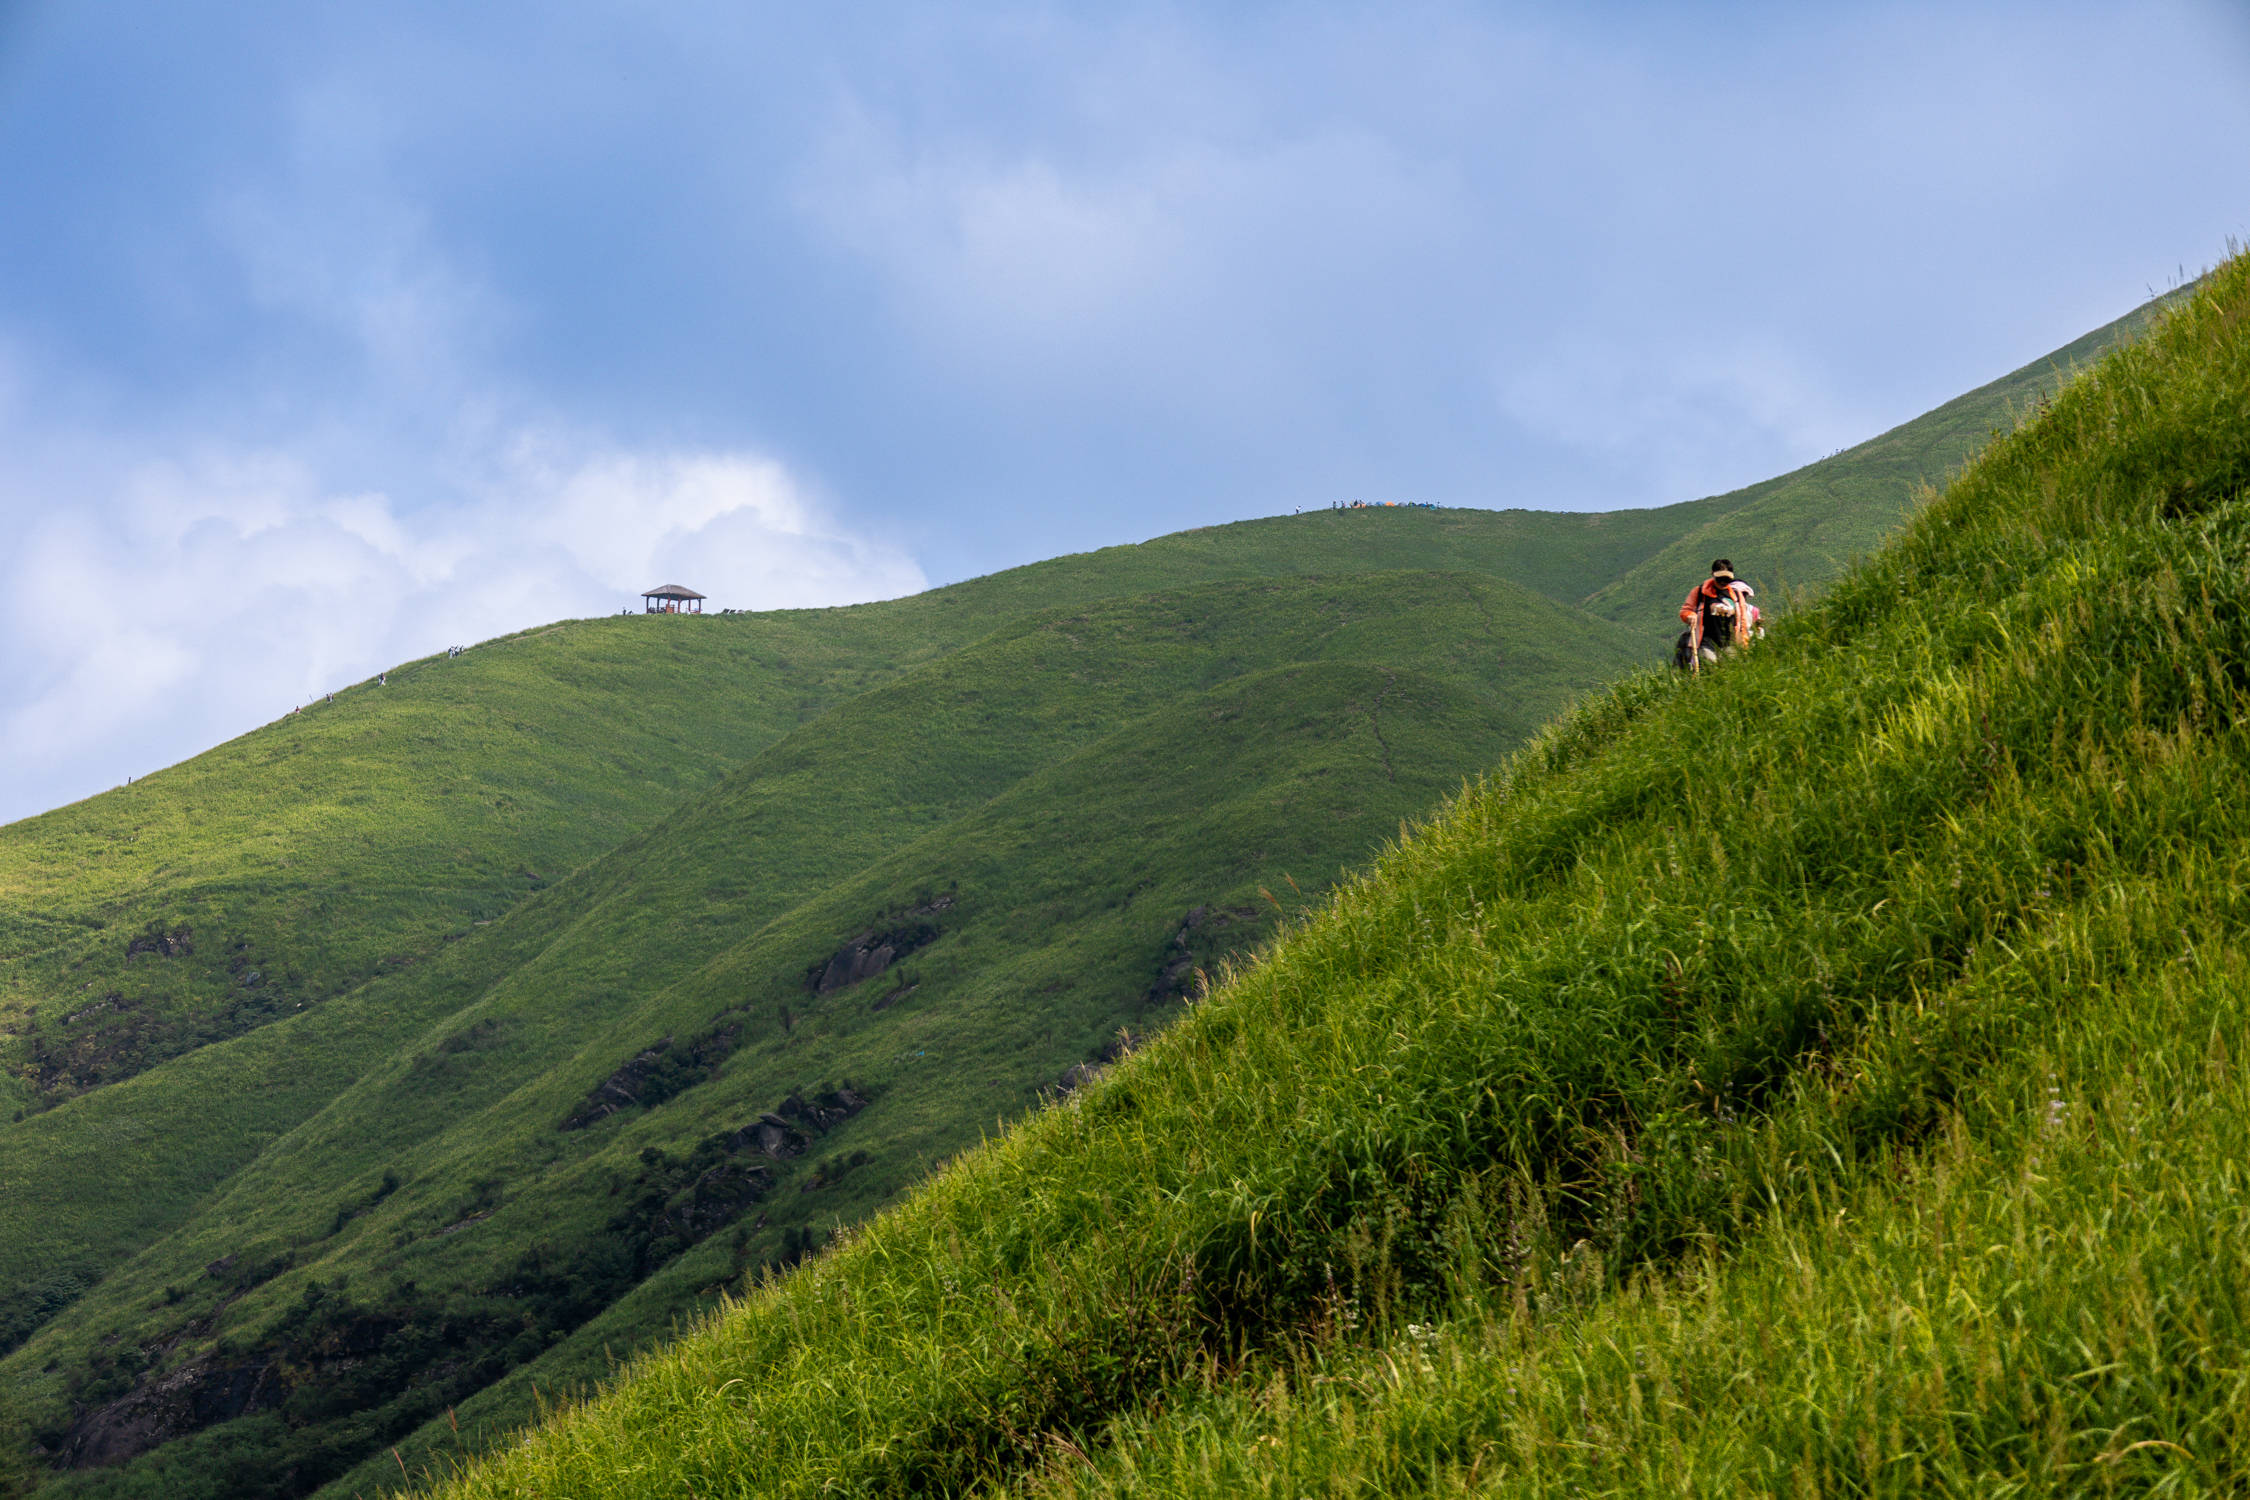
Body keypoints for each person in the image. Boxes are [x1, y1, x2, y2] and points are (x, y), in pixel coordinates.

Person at [1676, 558, 1760, 673]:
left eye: (1726, 579)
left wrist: (1744, 644)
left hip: (1730, 641)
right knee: (1710, 665)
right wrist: (1690, 616)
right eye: (1720, 578)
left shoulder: (1736, 595)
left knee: (1729, 670)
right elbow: (1686, 610)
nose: (1722, 582)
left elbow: (1743, 622)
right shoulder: (1700, 592)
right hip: (1707, 640)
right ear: (1712, 574)